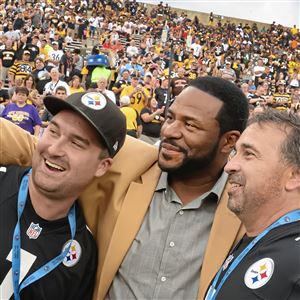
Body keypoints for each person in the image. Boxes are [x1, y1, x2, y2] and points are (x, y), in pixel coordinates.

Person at [0, 76, 249, 300]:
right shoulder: (135, 163)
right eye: (170, 117)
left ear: (229, 141)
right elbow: (39, 147)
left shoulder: (244, 206)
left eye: (190, 125)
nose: (170, 131)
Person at [0, 91, 127, 299]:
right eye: (53, 131)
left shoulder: (83, 254)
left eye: (76, 143)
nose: (54, 149)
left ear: (102, 166)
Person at [205, 110, 300, 300]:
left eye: (249, 154)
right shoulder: (260, 238)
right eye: (235, 152)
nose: (229, 166)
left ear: (294, 176)